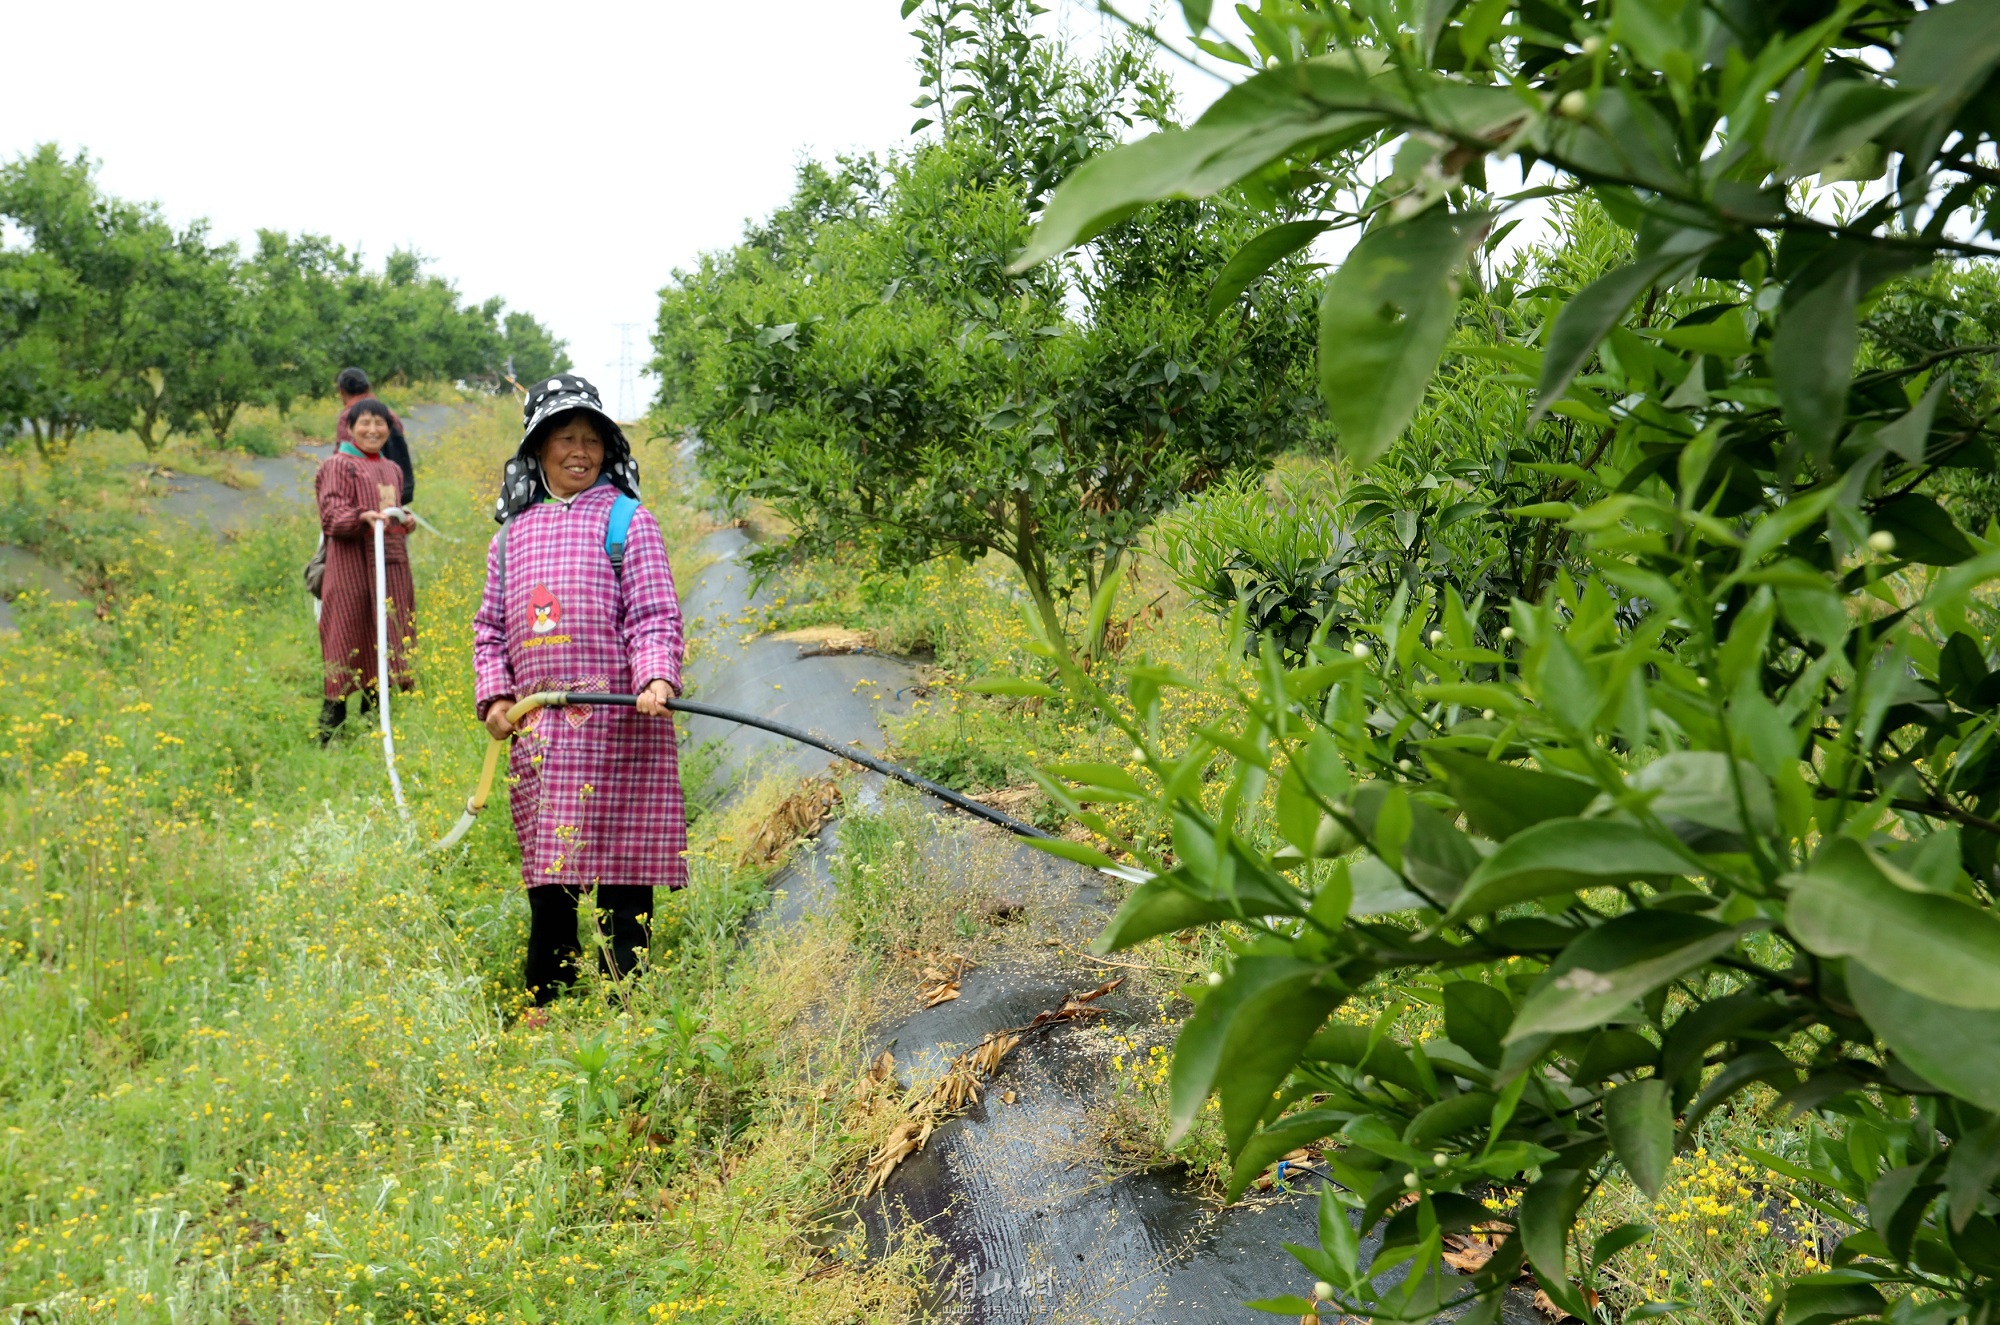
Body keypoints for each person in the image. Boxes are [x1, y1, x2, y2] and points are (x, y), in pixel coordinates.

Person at [471, 374, 685, 1006]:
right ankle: (549, 1001)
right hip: (542, 734)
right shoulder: (511, 537)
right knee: (550, 880)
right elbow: (488, 630)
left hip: (623, 727)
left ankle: (627, 1005)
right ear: (538, 449)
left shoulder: (628, 521)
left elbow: (653, 615)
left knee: (623, 878)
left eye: (592, 439)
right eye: (566, 437)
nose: (580, 451)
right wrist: (497, 699)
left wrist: (655, 676)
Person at [315, 400, 417, 742]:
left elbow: (394, 510)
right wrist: (361, 517)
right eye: (365, 423)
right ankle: (330, 733)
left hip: (391, 568)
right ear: (350, 427)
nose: (373, 430)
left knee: (387, 638)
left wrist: (404, 520)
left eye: (380, 423)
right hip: (351, 570)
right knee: (345, 640)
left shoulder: (392, 468)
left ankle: (374, 729)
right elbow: (331, 515)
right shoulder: (337, 465)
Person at [334, 367, 414, 505]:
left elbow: (342, 456)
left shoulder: (350, 416)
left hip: (363, 493)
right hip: (392, 488)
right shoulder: (388, 414)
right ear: (368, 387)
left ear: (341, 391)